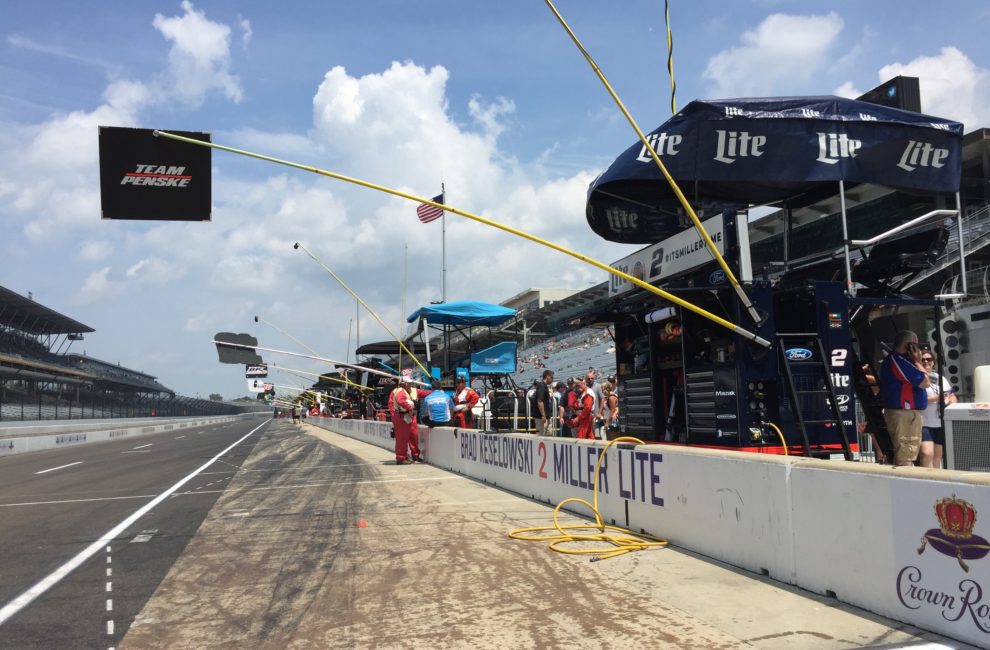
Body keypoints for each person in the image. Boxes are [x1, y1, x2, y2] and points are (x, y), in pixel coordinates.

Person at [879, 330, 931, 466]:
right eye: (916, 345)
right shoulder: (899, 361)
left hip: (907, 413)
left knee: (907, 454)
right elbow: (925, 382)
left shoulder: (901, 361)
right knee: (905, 456)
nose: (918, 350)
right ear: (909, 345)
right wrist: (918, 361)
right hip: (904, 413)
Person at [919, 351, 957, 468]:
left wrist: (952, 402)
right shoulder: (918, 378)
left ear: (933, 363)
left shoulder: (940, 378)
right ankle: (926, 480)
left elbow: (951, 395)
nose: (926, 361)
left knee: (937, 456)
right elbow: (920, 400)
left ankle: (935, 481)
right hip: (924, 423)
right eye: (923, 359)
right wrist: (938, 398)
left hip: (939, 423)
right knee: (927, 454)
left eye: (929, 359)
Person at [389, 370, 422, 464]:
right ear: (404, 383)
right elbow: (394, 403)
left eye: (411, 383)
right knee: (402, 438)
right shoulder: (398, 391)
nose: (410, 385)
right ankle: (401, 457)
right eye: (409, 383)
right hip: (401, 416)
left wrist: (433, 391)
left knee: (413, 436)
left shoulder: (414, 390)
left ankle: (414, 455)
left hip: (410, 416)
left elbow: (423, 393)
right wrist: (409, 407)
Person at [532, 369, 554, 435]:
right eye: (552, 377)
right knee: (541, 438)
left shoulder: (544, 386)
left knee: (548, 437)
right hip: (541, 417)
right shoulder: (541, 386)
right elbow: (540, 401)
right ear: (547, 376)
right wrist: (543, 416)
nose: (552, 379)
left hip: (546, 416)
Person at [585, 369, 604, 438]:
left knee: (596, 435)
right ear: (586, 379)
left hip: (595, 415)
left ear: (594, 378)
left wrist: (599, 412)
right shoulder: (585, 387)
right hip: (586, 415)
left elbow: (602, 399)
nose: (590, 380)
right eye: (589, 378)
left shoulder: (598, 386)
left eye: (592, 378)